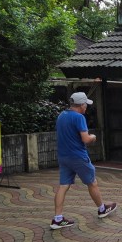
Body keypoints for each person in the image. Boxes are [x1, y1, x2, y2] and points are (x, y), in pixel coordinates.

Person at [51, 92, 117, 229]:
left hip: (64, 156)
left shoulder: (62, 116)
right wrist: (93, 136)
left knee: (63, 186)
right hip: (78, 156)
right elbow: (85, 139)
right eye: (85, 104)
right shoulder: (79, 117)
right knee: (92, 182)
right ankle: (102, 209)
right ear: (81, 105)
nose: (86, 106)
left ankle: (57, 219)